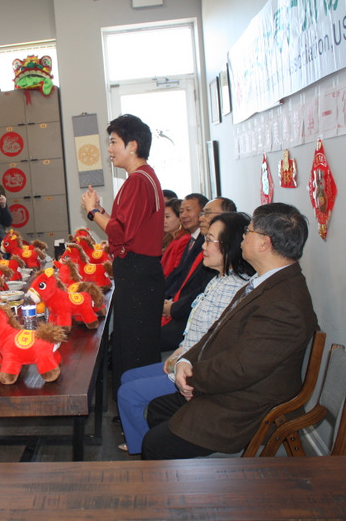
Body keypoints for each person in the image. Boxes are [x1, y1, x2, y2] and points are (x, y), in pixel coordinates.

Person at [142, 203, 319, 459]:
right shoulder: (265, 282)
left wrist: (192, 378)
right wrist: (187, 360)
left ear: (264, 243)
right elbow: (217, 331)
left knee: (154, 444)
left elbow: (241, 368)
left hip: (246, 407)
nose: (243, 237)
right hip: (232, 388)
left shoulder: (285, 304)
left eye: (248, 231)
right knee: (159, 409)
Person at [117, 212, 254, 454]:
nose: (203, 246)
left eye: (209, 240)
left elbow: (216, 345)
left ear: (229, 246)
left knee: (128, 393)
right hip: (187, 357)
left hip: (194, 371)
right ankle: (141, 434)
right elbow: (201, 332)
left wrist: (182, 361)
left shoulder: (231, 289)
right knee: (128, 377)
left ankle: (142, 446)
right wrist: (180, 351)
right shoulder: (219, 280)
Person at [80, 114, 164, 394]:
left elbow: (121, 233)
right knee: (133, 342)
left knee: (135, 346)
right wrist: (101, 211)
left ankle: (135, 407)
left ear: (133, 145)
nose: (109, 149)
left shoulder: (138, 181)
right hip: (140, 271)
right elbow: (125, 226)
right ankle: (134, 406)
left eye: (114, 142)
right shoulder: (143, 177)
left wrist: (92, 212)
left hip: (138, 272)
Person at [163, 193, 208, 297]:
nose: (183, 215)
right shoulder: (191, 240)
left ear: (202, 212)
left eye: (188, 210)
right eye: (181, 211)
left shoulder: (203, 241)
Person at [160, 198, 188, 275]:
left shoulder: (184, 240)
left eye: (167, 217)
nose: (163, 220)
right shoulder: (170, 239)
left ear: (180, 218)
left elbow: (176, 271)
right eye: (162, 216)